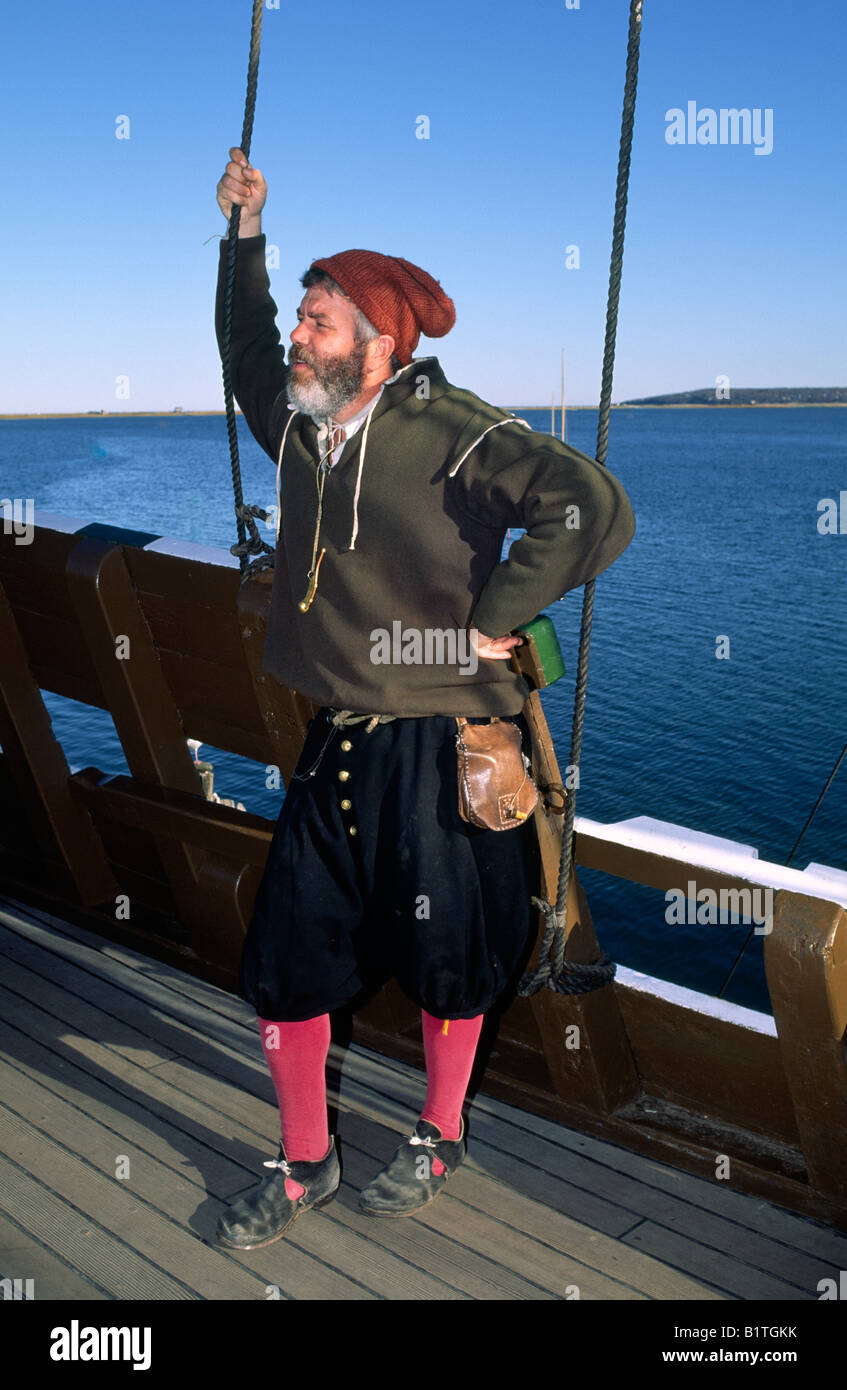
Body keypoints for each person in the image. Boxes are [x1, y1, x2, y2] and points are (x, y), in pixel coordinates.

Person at [212, 147, 635, 1249]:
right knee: (287, 966)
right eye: (303, 318)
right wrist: (244, 237)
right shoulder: (303, 425)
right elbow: (241, 347)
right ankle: (305, 1161)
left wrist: (502, 607)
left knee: (452, 961)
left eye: (316, 322)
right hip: (339, 744)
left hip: (446, 748)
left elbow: (590, 506)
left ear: (377, 344)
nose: (298, 338)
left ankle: (439, 1131)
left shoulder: (455, 433)